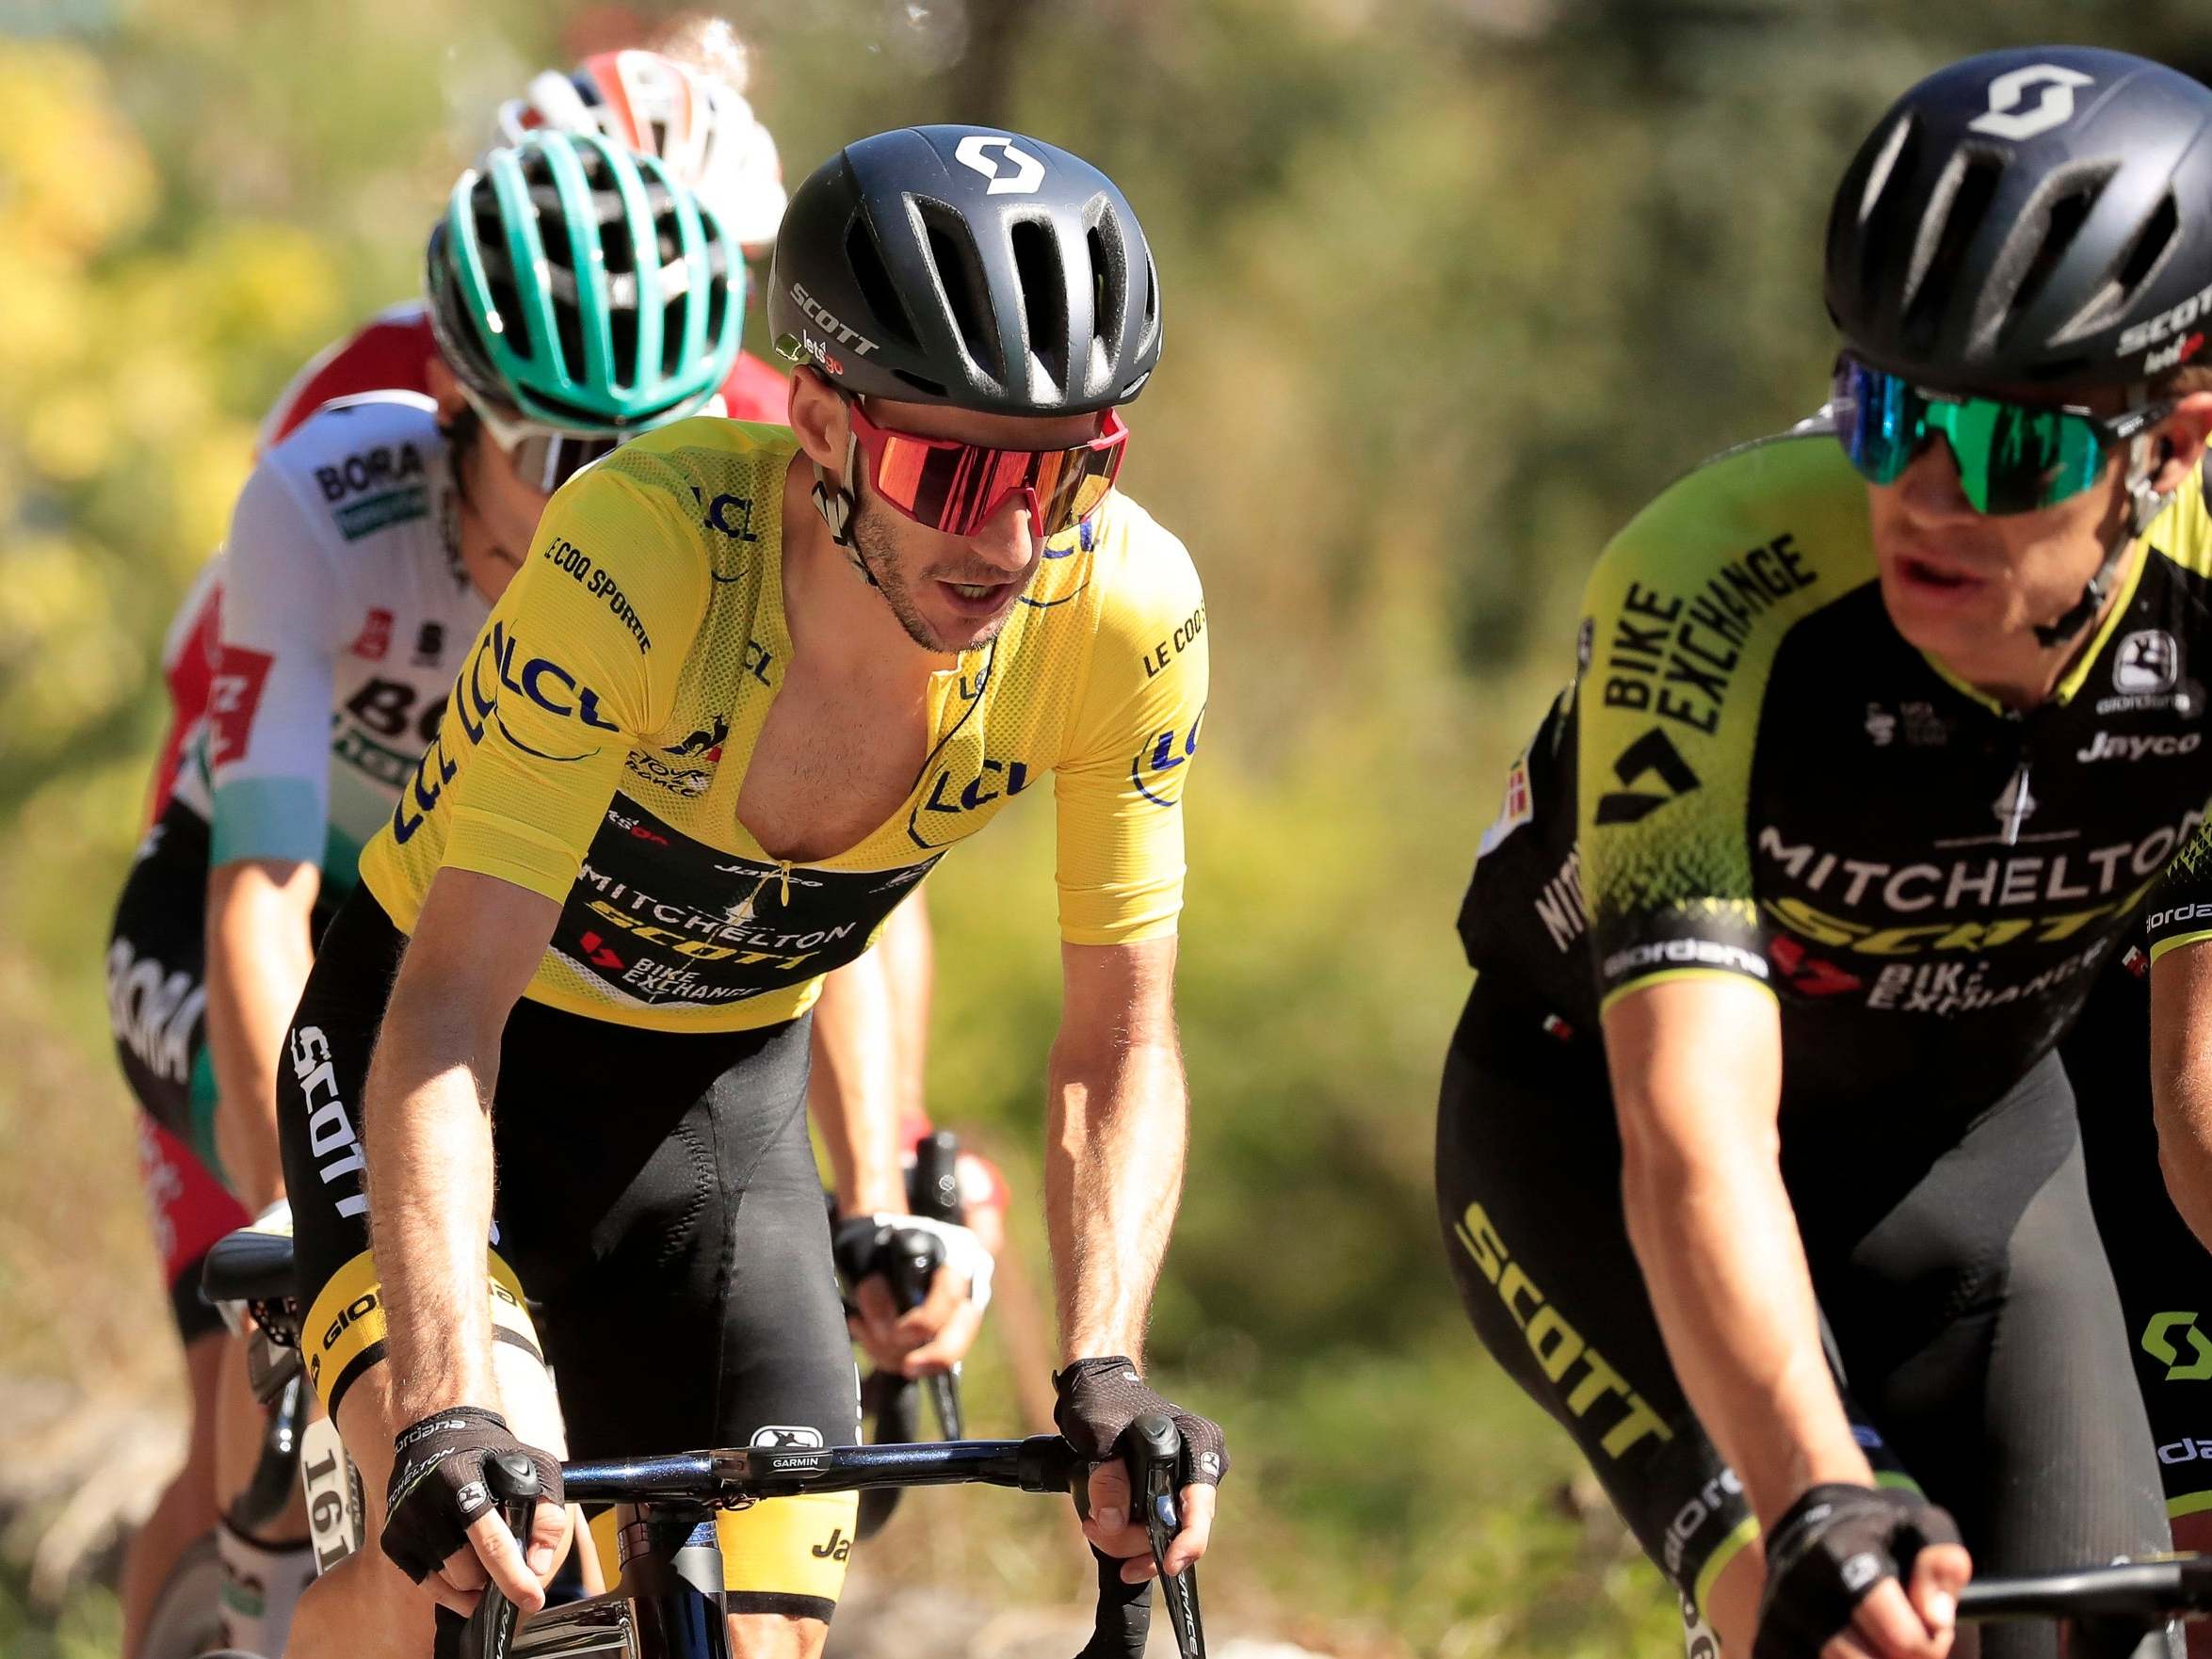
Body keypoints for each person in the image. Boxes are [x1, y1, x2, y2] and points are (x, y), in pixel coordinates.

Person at [272, 125, 1226, 1659]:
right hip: (444, 1055)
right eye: (956, 468)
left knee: (762, 1641)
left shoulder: (1121, 614)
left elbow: (1120, 1041)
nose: (1013, 535)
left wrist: (1103, 1365)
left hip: (718, 1108)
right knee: (479, 1572)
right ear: (824, 428)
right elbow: (446, 1014)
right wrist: (447, 1404)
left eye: (1070, 468)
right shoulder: (639, 559)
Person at [1436, 45, 2212, 1659]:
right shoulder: (1712, 584)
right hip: (1593, 1140)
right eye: (1888, 407)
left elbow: (2199, 1085)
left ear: (2172, 444)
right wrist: (1810, 1493)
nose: (1922, 496)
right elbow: (1694, 1129)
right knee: (1846, 1626)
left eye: (2010, 449)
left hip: (1972, 1160)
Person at [105, 128, 742, 1659]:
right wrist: (300, 1213)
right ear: (454, 398)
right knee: (239, 1416)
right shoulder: (326, 505)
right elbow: (258, 891)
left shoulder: (710, 570)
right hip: (247, 935)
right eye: (553, 456)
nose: (601, 502)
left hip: (455, 952)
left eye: (644, 459)